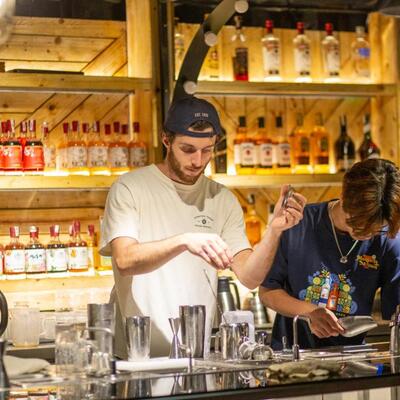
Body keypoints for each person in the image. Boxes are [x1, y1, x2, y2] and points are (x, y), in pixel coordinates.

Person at [100, 96, 306, 357]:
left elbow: (249, 277)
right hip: (135, 355)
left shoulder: (222, 198)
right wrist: (184, 240)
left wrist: (274, 231)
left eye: (207, 150)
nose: (198, 160)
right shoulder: (130, 187)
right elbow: (125, 260)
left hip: (195, 355)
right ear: (166, 140)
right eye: (187, 149)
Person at [259, 158, 400, 350]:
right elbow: (267, 292)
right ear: (343, 196)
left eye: (376, 229)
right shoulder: (297, 224)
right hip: (291, 353)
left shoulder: (387, 239)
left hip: (352, 356)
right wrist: (311, 312)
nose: (367, 234)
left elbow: (395, 311)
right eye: (357, 224)